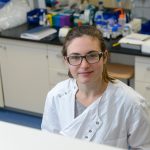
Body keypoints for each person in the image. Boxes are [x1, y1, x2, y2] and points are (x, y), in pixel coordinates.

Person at [41, 25, 150, 149]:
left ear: (104, 57)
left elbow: (144, 146)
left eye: (92, 55)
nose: (84, 65)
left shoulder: (132, 103)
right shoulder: (56, 96)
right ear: (66, 61)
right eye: (75, 57)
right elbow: (49, 141)